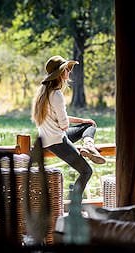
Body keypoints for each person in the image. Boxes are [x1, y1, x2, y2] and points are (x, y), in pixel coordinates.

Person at [31, 55, 106, 199]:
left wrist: (82, 120)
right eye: (66, 69)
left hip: (48, 139)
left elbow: (58, 120)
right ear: (60, 73)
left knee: (87, 124)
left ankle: (88, 145)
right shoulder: (57, 95)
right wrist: (77, 121)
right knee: (86, 171)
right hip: (58, 141)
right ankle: (74, 209)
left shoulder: (43, 92)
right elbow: (64, 125)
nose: (69, 72)